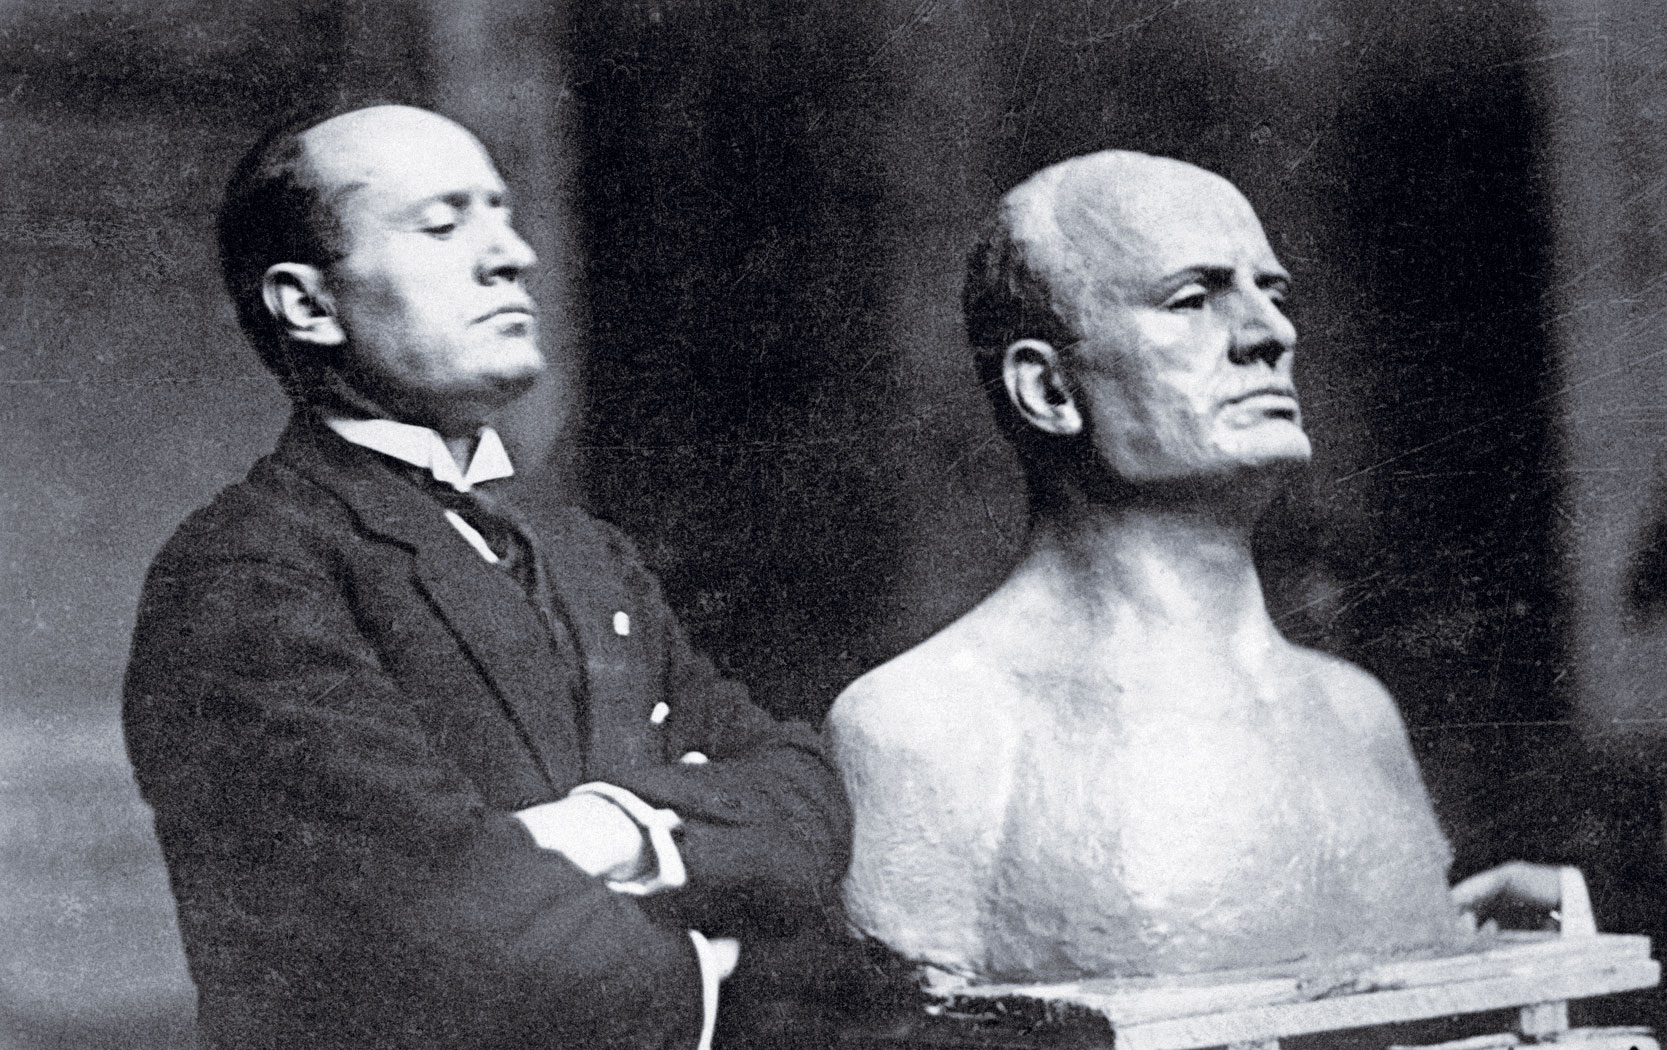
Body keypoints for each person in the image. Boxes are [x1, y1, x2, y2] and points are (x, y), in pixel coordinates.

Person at [123, 101, 849, 1050]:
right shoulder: (248, 571)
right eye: (442, 224)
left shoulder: (588, 553)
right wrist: (721, 969)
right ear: (308, 305)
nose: (513, 255)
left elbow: (802, 797)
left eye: (501, 213)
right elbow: (437, 925)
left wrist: (606, 829)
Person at [828, 150, 1587, 983]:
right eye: (1190, 300)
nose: (1270, 335)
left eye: (1274, 294)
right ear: (1047, 390)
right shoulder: (924, 732)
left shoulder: (1356, 712)